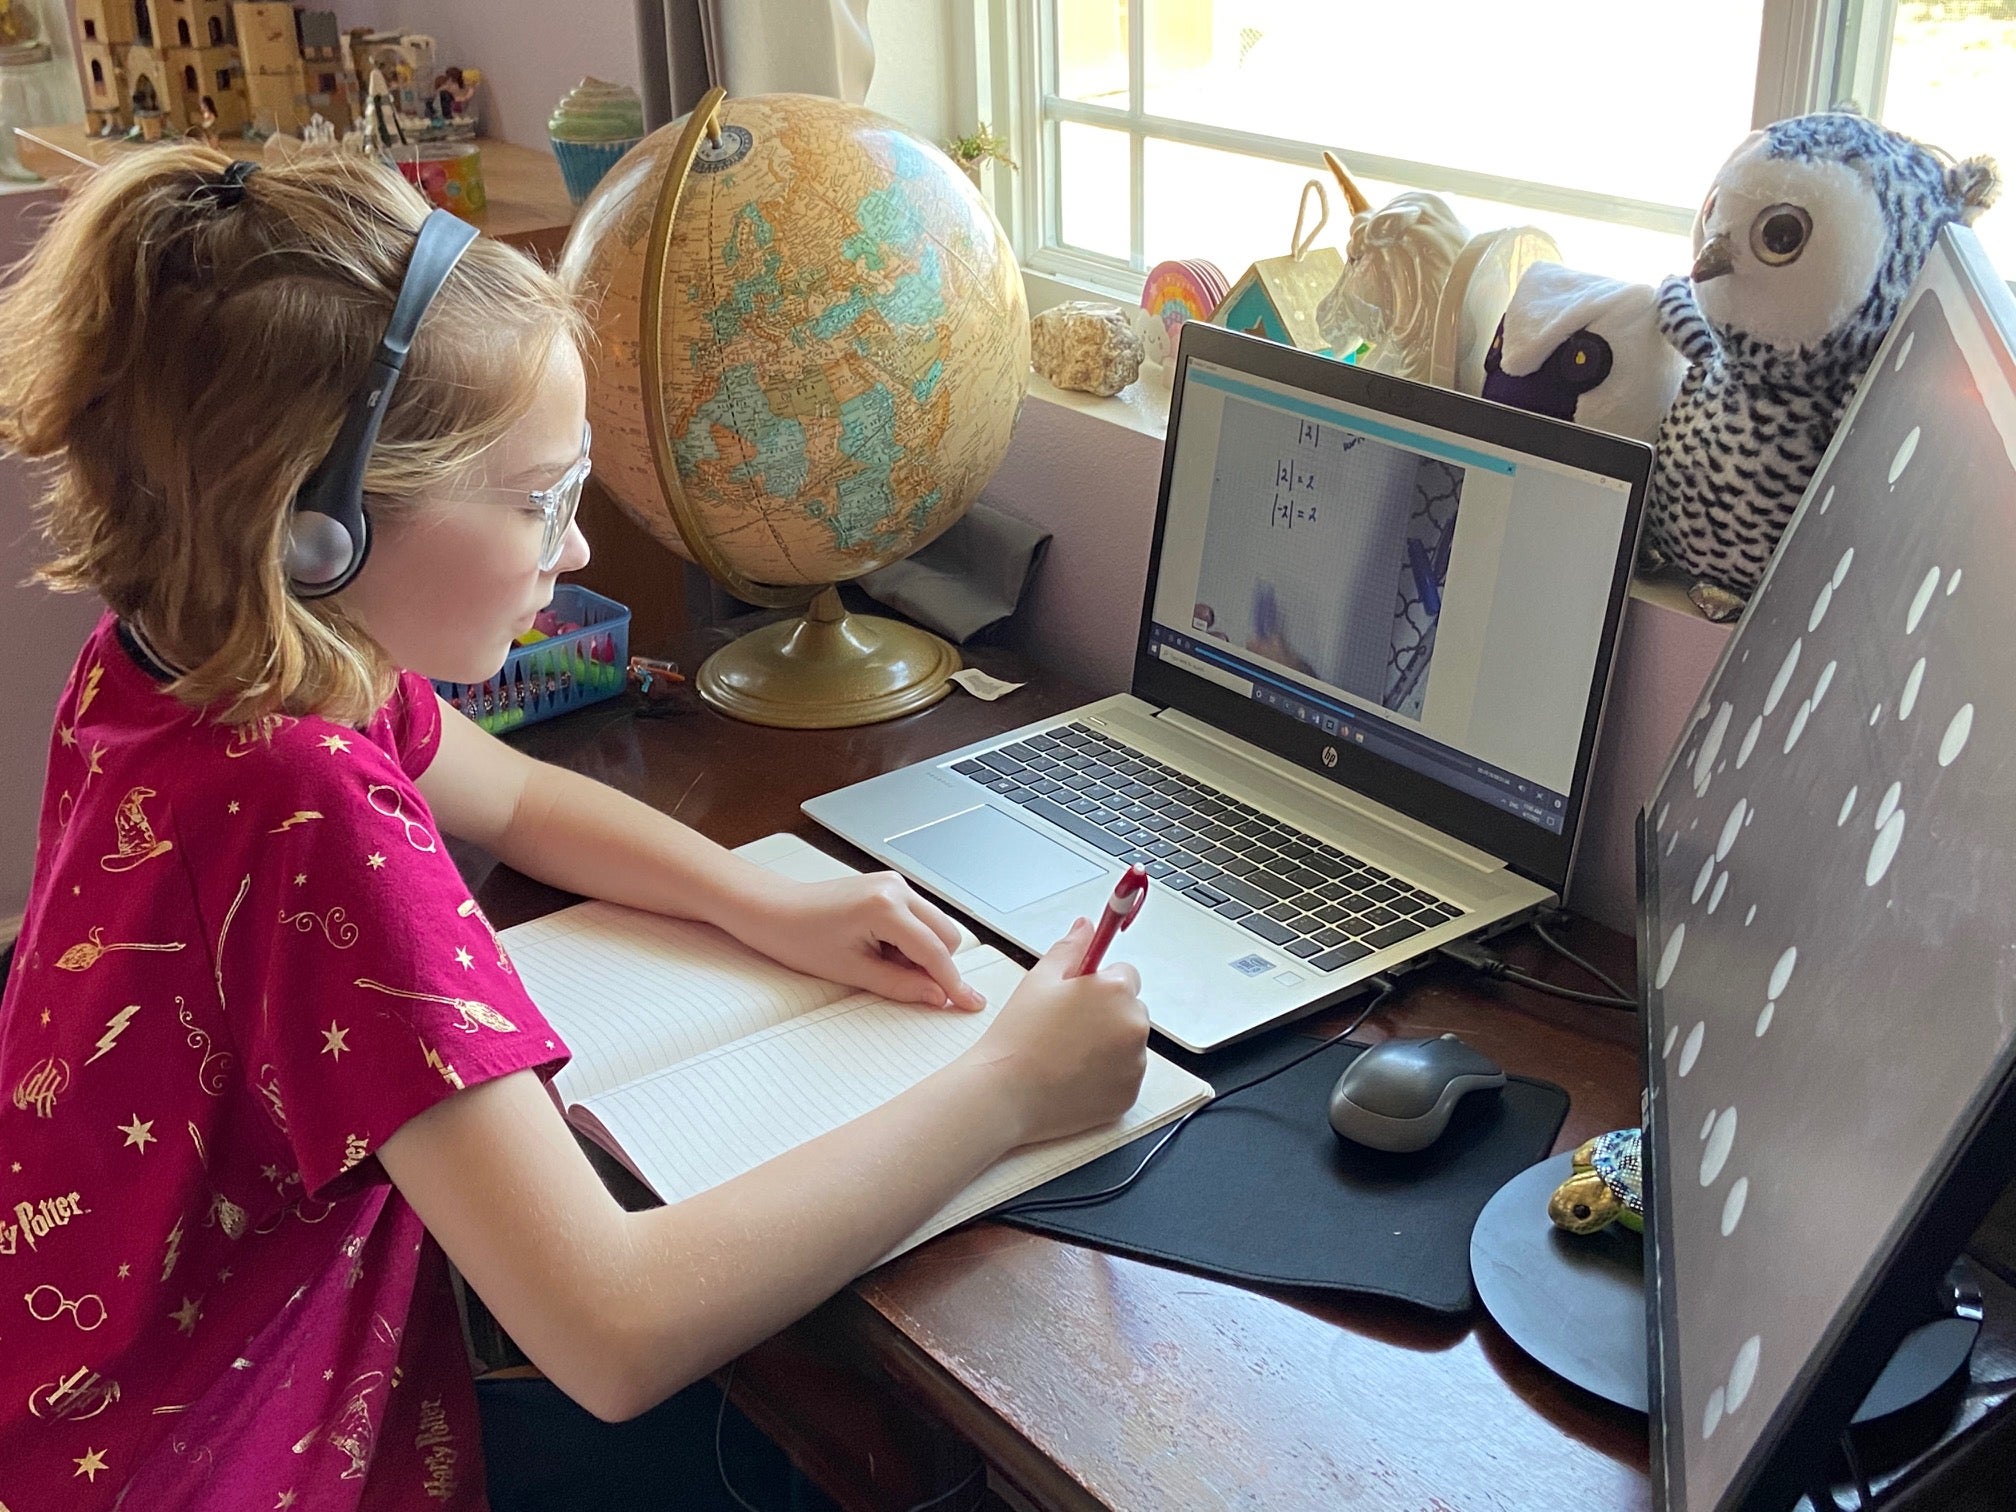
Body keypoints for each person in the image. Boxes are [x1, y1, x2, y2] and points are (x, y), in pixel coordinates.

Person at [0, 145, 1151, 1510]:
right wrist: (1009, 1085)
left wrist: (758, 900)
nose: (582, 549)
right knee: (870, 1462)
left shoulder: (198, 662)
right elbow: (613, 1327)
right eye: (539, 498)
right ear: (323, 528)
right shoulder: (302, 804)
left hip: (105, 1398)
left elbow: (521, 797)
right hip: (248, 1457)